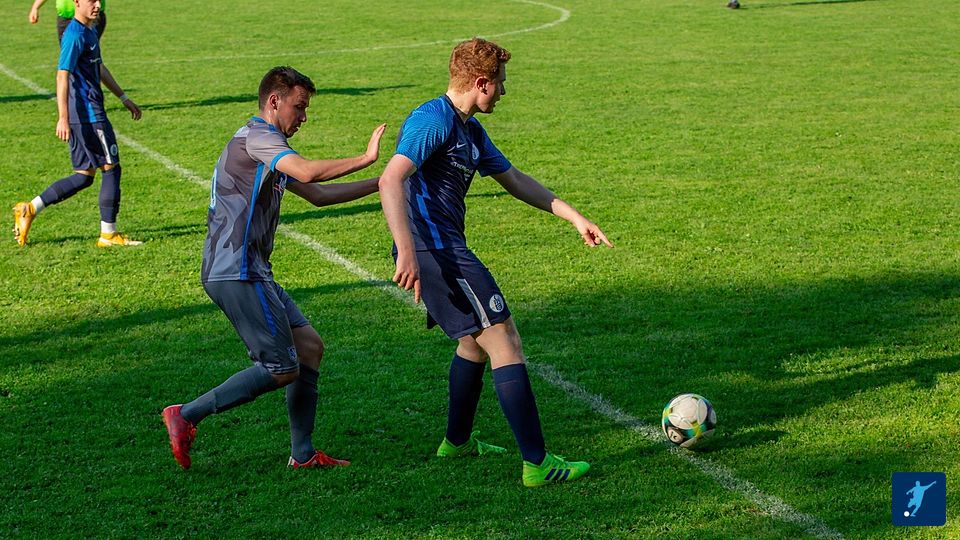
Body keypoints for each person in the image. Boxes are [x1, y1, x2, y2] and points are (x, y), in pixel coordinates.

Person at [379, 37, 613, 488]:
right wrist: (406, 250)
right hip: (434, 250)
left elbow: (515, 180)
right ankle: (537, 463)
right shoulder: (433, 119)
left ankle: (457, 442)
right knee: (504, 338)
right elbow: (390, 180)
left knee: (473, 342)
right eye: (500, 83)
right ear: (481, 82)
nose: (503, 92)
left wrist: (574, 217)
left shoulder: (469, 131)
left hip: (440, 247)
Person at [162, 66, 387, 470]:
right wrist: (366, 159)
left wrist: (381, 182)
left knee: (309, 348)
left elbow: (317, 194)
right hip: (236, 270)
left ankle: (303, 454)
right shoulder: (259, 138)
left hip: (250, 269)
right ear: (274, 101)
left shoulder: (267, 146)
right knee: (281, 369)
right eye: (299, 107)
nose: (303, 117)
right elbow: (307, 171)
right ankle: (186, 414)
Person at [13, 0, 141, 248]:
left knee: (84, 176)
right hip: (88, 114)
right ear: (77, 3)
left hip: (86, 114)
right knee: (111, 168)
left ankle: (30, 208)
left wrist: (124, 97)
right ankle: (108, 234)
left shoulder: (90, 30)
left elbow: (99, 66)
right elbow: (62, 75)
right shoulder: (74, 35)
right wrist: (63, 117)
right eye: (91, 1)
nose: (97, 5)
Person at [29, 0, 107, 42]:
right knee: (73, 56)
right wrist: (35, 7)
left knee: (86, 56)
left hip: (89, 17)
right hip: (65, 18)